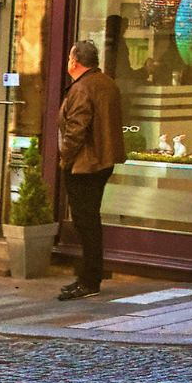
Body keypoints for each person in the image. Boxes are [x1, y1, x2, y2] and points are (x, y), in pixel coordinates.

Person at [56, 38, 124, 301]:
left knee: (86, 223)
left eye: (69, 57)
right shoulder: (106, 82)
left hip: (84, 164)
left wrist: (65, 157)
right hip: (101, 162)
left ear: (75, 61)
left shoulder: (83, 87)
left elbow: (76, 129)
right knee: (90, 221)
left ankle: (89, 280)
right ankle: (89, 277)